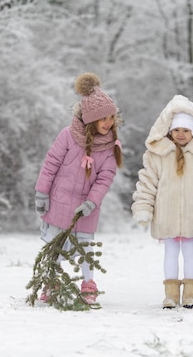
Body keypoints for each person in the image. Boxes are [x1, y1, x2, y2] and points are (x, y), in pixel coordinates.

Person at [131, 94, 193, 309]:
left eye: (186, 130)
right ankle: (170, 294)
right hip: (165, 215)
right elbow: (147, 182)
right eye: (177, 129)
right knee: (170, 253)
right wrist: (143, 207)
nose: (180, 134)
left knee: (190, 254)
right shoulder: (157, 155)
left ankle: (190, 294)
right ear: (169, 130)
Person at [34, 72, 123, 305]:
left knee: (85, 246)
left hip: (86, 206)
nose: (108, 123)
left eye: (111, 118)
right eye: (103, 119)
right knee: (55, 243)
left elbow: (105, 178)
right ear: (90, 119)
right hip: (59, 200)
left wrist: (91, 202)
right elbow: (51, 162)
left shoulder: (109, 147)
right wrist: (41, 192)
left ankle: (88, 283)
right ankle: (52, 280)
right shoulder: (67, 135)